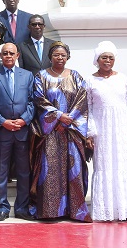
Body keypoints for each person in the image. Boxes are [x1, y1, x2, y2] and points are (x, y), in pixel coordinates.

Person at [30, 42, 91, 222]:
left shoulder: (76, 76)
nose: (59, 58)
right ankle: (50, 211)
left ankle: (76, 211)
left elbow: (83, 100)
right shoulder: (40, 76)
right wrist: (57, 117)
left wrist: (69, 119)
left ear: (68, 57)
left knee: (74, 171)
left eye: (63, 55)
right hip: (50, 132)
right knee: (50, 171)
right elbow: (38, 99)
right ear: (50, 57)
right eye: (56, 54)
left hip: (71, 131)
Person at [86, 41, 127, 222]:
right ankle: (106, 211)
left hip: (121, 129)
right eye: (104, 57)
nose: (108, 61)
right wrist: (90, 133)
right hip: (102, 131)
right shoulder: (90, 80)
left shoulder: (122, 78)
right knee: (104, 167)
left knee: (123, 166)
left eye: (111, 58)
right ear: (97, 59)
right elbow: (87, 108)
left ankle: (124, 210)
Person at [0, 43, 34, 221]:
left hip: (22, 131)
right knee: (1, 173)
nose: (8, 56)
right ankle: (3, 208)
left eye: (11, 53)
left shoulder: (28, 76)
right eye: (5, 53)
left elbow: (32, 101)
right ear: (0, 55)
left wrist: (24, 120)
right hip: (1, 132)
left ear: (17, 55)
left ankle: (22, 208)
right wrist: (3, 121)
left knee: (23, 172)